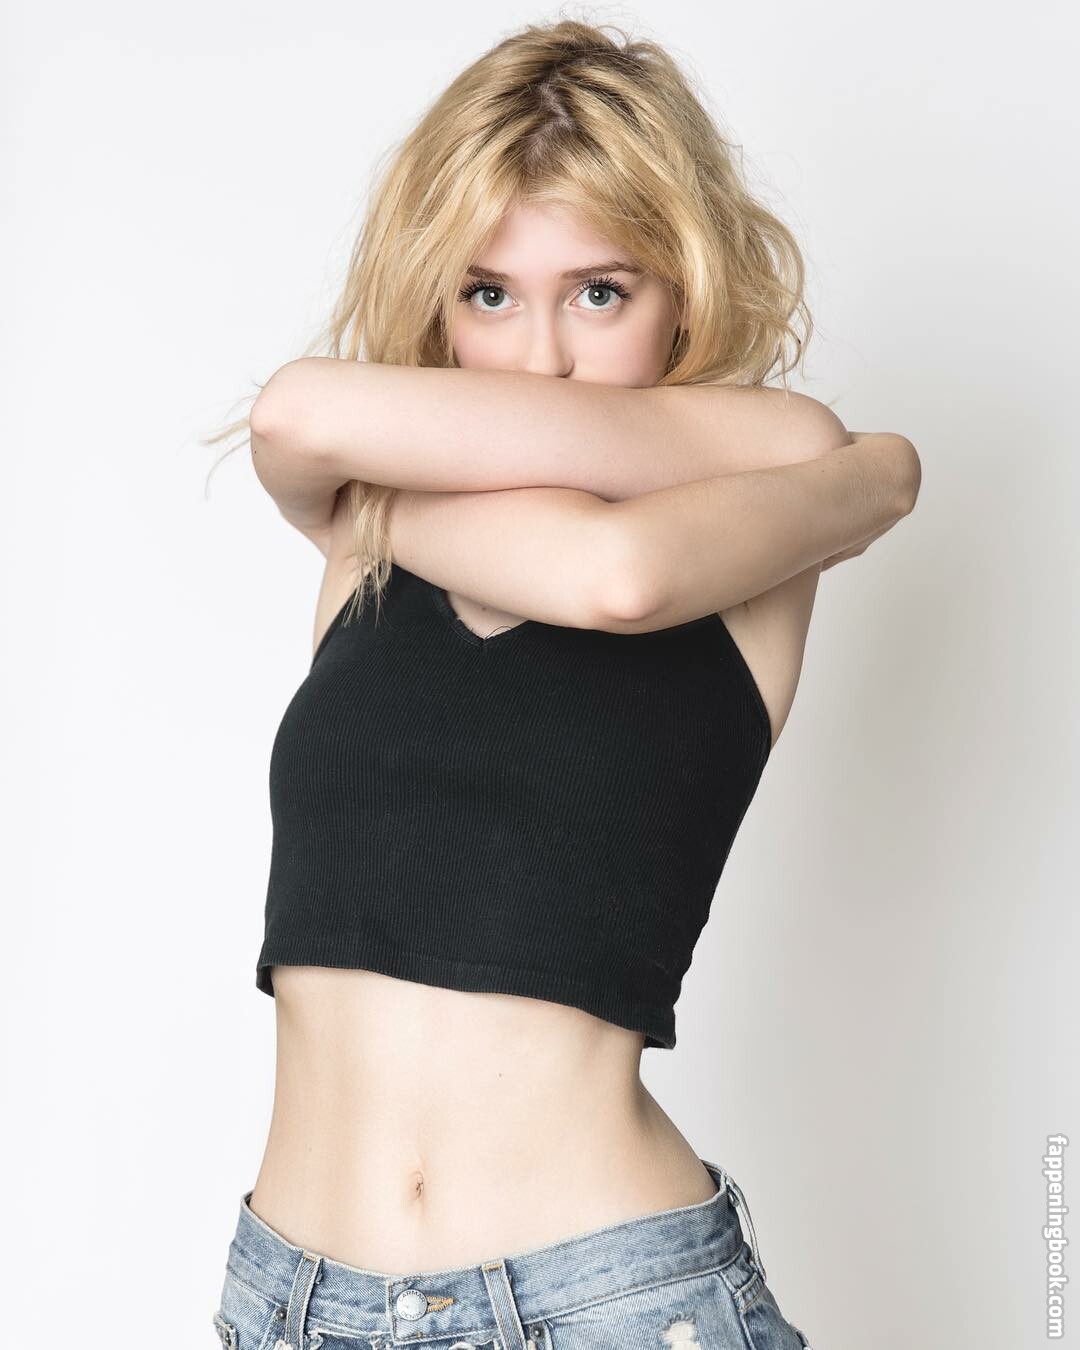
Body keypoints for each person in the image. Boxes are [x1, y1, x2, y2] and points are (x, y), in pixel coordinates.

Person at [204, 19, 920, 1350]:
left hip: (603, 1305)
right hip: (292, 1302)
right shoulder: (368, 532)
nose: (540, 355)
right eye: (488, 294)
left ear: (683, 290)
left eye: (599, 293)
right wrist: (880, 483)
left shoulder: (769, 474)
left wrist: (878, 472)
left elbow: (620, 575)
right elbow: (293, 412)